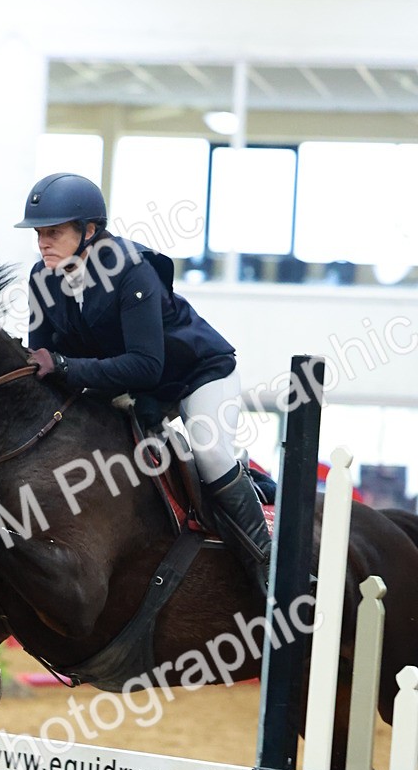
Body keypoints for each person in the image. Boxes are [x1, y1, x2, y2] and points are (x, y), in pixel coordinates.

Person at [15, 171, 271, 599]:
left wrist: (62, 365)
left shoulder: (132, 270)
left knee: (210, 454)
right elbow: (45, 361)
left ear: (89, 231)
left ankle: (265, 564)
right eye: (39, 233)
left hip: (195, 375)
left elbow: (146, 366)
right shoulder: (43, 279)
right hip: (132, 387)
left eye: (53, 232)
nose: (43, 242)